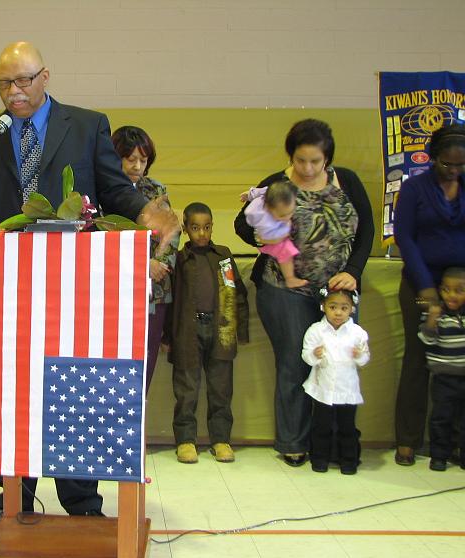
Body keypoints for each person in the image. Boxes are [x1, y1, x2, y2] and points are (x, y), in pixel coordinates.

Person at [0, 41, 148, 522]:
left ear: (46, 76)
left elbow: (114, 190)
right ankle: (14, 493)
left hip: (73, 292)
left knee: (73, 382)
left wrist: (149, 214)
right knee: (9, 387)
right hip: (7, 291)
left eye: (23, 80)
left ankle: (81, 500)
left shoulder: (87, 125)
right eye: (4, 83)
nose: (14, 92)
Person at [234, 118, 374, 467]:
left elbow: (366, 230)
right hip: (285, 289)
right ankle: (293, 442)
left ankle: (335, 446)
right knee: (296, 363)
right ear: (291, 157)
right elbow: (242, 223)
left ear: (327, 158)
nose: (308, 168)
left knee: (338, 362)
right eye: (301, 160)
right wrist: (259, 238)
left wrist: (352, 271)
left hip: (337, 291)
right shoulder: (275, 186)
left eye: (316, 161)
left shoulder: (348, 182)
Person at [393, 124, 465, 466]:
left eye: (460, 165)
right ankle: (408, 440)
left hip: (462, 286)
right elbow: (405, 238)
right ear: (433, 158)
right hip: (421, 283)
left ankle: (452, 442)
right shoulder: (414, 188)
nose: (453, 171)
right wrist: (427, 290)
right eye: (446, 164)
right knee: (418, 361)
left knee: (460, 365)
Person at [163, 202, 248, 464]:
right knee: (187, 388)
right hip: (187, 332)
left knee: (221, 387)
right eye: (196, 228)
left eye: (207, 227)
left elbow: (238, 294)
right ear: (186, 229)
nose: (202, 233)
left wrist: (239, 331)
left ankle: (221, 439)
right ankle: (186, 440)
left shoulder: (223, 256)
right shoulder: (178, 260)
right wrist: (167, 337)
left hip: (220, 330)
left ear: (212, 227)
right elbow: (169, 300)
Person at [111, 125, 179, 395]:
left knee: (146, 362)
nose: (137, 166)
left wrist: (157, 264)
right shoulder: (105, 192)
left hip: (154, 292)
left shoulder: (156, 189)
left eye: (144, 159)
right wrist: (141, 263)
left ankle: (137, 428)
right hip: (115, 289)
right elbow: (102, 234)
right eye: (131, 159)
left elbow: (172, 231)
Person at [302, 288, 370, 474]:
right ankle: (319, 460)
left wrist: (359, 356)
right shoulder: (316, 330)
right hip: (322, 388)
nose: (338, 312)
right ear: (323, 307)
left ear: (352, 310)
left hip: (347, 390)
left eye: (344, 308)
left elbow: (365, 359)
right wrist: (314, 355)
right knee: (321, 426)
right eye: (333, 307)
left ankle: (349, 461)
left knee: (347, 428)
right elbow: (306, 355)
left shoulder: (357, 333)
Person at [418, 266, 465, 472]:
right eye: (446, 290)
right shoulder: (436, 314)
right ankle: (438, 455)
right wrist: (431, 320)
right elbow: (427, 339)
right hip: (443, 378)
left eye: (459, 290)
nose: (451, 295)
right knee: (441, 418)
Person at [242, 181, 307, 289]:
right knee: (286, 253)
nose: (287, 217)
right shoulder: (264, 221)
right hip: (270, 241)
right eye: (282, 215)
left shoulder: (270, 193)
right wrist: (287, 233)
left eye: (291, 212)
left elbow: (261, 191)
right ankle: (290, 278)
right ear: (268, 208)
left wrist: (249, 195)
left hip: (273, 233)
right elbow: (264, 239)